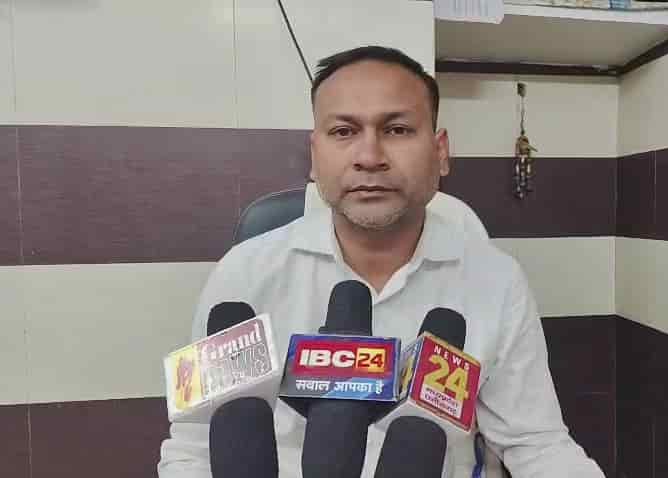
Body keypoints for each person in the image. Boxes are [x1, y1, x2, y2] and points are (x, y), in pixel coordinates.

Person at [157, 45, 604, 478]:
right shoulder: (243, 274)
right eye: (343, 132)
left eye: (397, 130)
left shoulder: (497, 280)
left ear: (440, 151)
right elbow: (194, 445)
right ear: (314, 155)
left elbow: (535, 443)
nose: (369, 158)